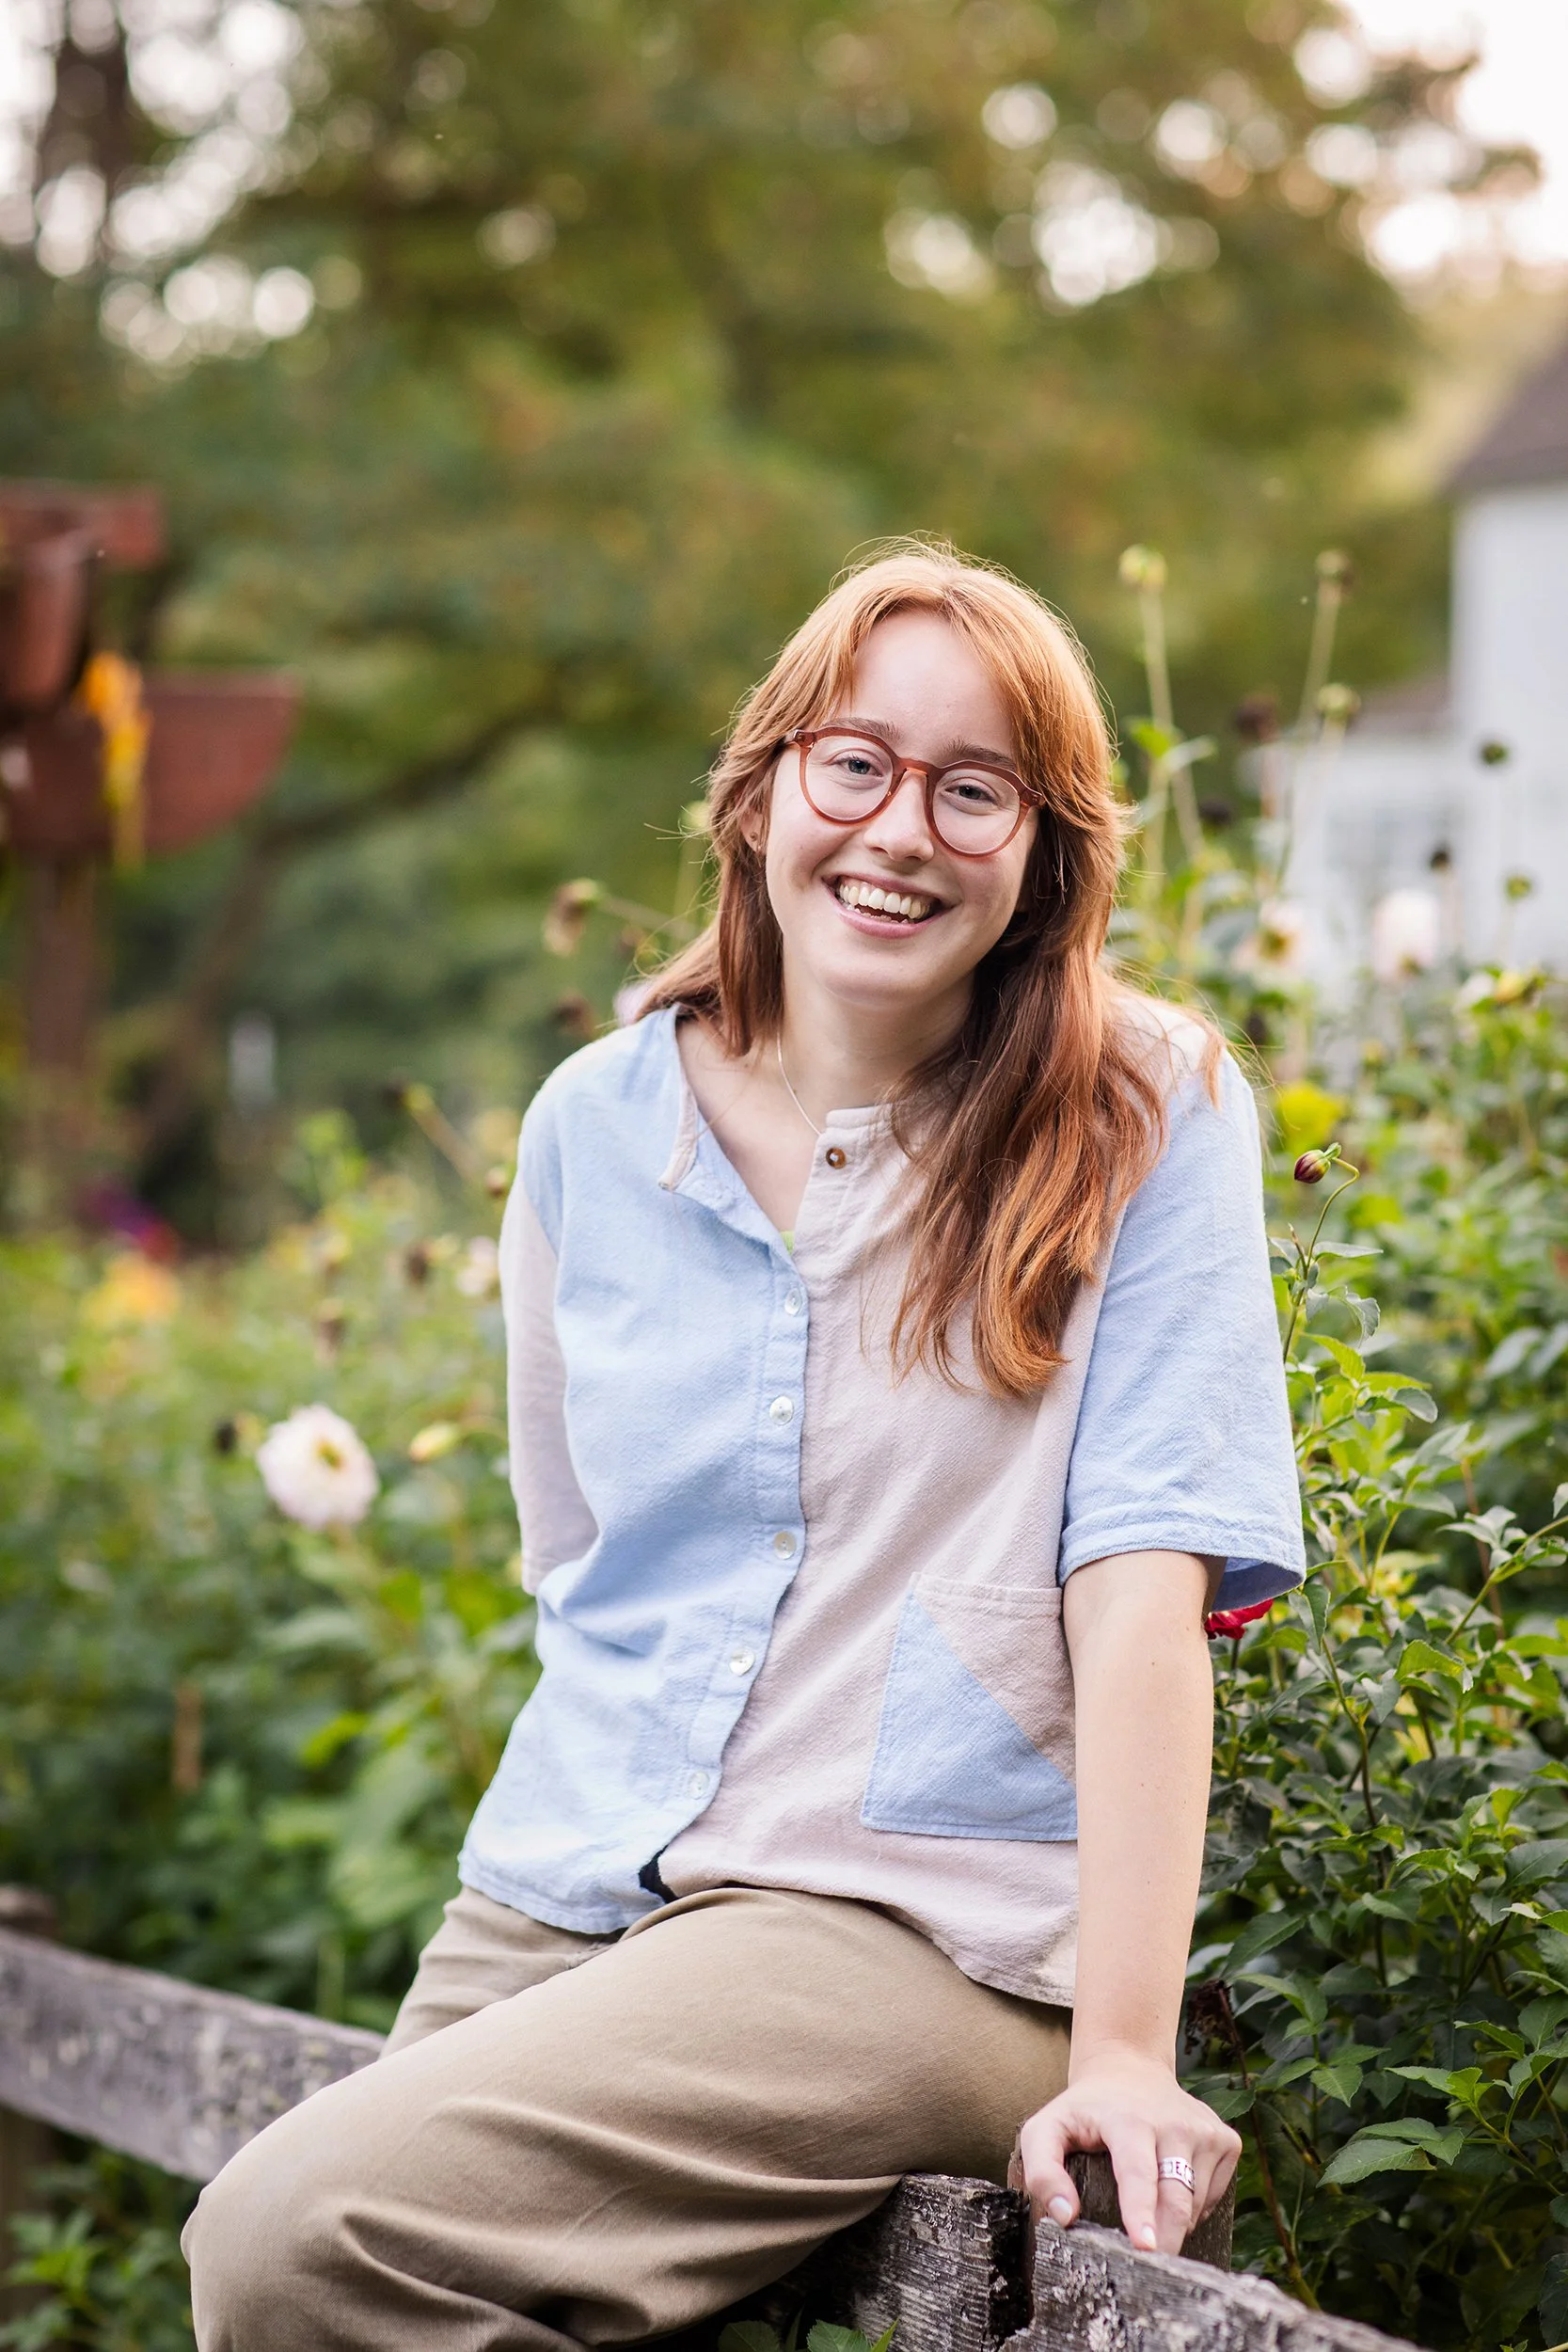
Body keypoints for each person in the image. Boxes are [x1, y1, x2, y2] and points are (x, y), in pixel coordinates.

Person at [183, 544, 1304, 2350]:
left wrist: (1121, 2051)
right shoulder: (595, 1126)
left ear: (1042, 854)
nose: (900, 829)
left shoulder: (1141, 1110)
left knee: (288, 2243)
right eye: (854, 763)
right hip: (568, 1870)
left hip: (904, 1923)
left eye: (974, 789)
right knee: (299, 2310)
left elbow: (1139, 1594)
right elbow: (583, 1556)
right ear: (764, 789)